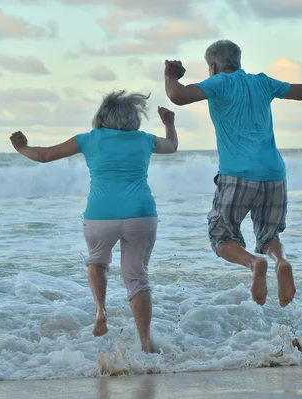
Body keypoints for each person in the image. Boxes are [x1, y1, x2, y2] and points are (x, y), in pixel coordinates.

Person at [163, 39, 302, 308]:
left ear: (213, 66)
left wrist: (170, 76)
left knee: (222, 237)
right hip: (274, 175)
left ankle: (254, 263)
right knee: (270, 236)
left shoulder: (219, 83)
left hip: (237, 175)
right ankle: (280, 261)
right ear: (238, 60)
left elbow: (177, 96)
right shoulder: (262, 82)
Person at [9, 90, 178, 353]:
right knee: (137, 278)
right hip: (141, 213)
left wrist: (21, 147)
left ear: (102, 116)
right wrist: (169, 122)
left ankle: (100, 310)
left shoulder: (89, 139)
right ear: (133, 117)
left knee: (97, 261)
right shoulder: (144, 140)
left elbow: (43, 155)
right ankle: (145, 342)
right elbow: (172, 146)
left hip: (100, 215)